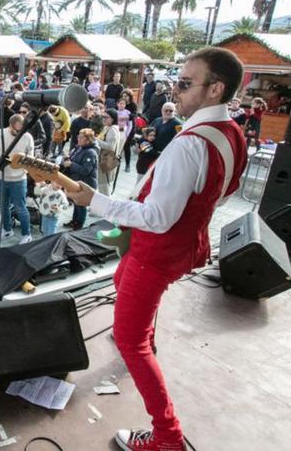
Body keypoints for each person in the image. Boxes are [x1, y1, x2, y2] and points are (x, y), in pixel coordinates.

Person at [65, 47, 248, 451]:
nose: (174, 91)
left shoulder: (189, 145)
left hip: (157, 252)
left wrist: (94, 200)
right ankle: (142, 333)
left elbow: (158, 217)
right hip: (184, 245)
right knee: (120, 279)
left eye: (184, 84)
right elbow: (225, 192)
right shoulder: (233, 134)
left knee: (130, 342)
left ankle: (167, 437)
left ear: (215, 89)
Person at [0, 113, 34, 244]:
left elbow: (30, 158)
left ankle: (26, 234)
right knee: (3, 206)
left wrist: (21, 164)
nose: (19, 133)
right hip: (0, 177)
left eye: (21, 129)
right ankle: (7, 229)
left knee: (21, 208)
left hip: (19, 179)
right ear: (10, 126)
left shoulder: (27, 137)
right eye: (16, 130)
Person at [62, 129, 99, 230]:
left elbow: (86, 170)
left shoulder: (90, 152)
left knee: (81, 204)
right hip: (78, 181)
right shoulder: (80, 148)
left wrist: (71, 164)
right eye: (78, 136)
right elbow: (73, 159)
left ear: (88, 140)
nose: (78, 138)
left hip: (86, 183)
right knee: (76, 202)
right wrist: (67, 158)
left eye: (81, 137)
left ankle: (79, 226)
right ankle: (74, 221)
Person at [97, 108, 122, 195]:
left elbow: (111, 147)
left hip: (106, 159)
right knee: (102, 183)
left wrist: (95, 140)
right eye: (103, 117)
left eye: (106, 117)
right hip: (103, 158)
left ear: (113, 119)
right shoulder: (108, 127)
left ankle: (106, 204)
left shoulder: (113, 130)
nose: (104, 119)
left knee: (104, 184)